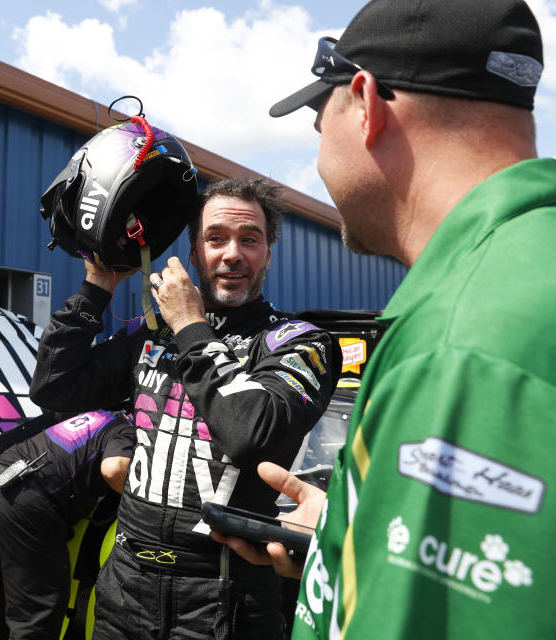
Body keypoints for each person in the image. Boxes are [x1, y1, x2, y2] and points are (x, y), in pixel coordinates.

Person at [214, 1, 556, 638]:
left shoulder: (458, 340)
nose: (317, 153)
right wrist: (351, 530)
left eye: (321, 118)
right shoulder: (519, 270)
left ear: (365, 102)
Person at [29, 177, 342, 639]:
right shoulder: (152, 333)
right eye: (216, 238)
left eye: (249, 239)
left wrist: (191, 325)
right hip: (124, 587)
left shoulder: (299, 341)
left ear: (268, 254)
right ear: (195, 252)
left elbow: (252, 433)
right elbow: (54, 387)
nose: (232, 253)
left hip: (226, 598)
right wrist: (98, 286)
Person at [0, 411, 135, 640]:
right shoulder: (125, 429)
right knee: (36, 614)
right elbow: (114, 469)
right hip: (26, 498)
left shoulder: (95, 416)